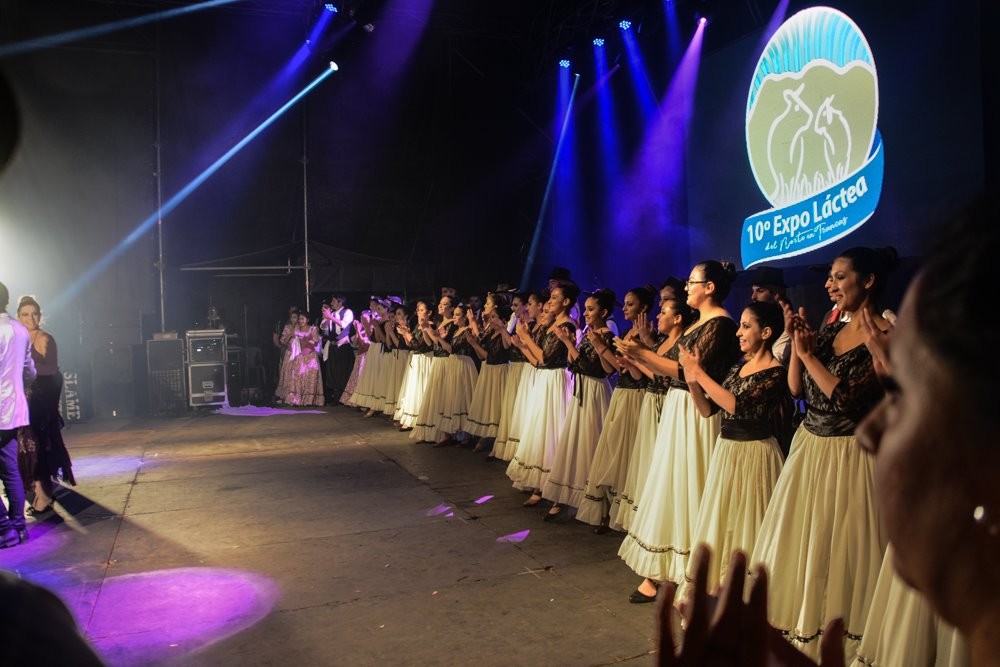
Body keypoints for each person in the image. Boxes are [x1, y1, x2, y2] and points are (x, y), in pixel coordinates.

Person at [749, 246, 899, 660]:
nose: (830, 285)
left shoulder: (886, 335)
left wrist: (809, 355)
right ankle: (809, 634)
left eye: (839, 277)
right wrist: (799, 348)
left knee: (846, 553)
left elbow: (847, 399)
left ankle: (845, 643)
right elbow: (797, 388)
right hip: (811, 448)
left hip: (850, 456)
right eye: (829, 277)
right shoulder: (830, 330)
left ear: (868, 281)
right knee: (811, 546)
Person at [617, 260, 741, 603]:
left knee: (691, 484)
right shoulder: (698, 323)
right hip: (677, 408)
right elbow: (670, 369)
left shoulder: (721, 325)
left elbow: (690, 372)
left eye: (692, 282)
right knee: (671, 484)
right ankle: (662, 571)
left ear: (710, 288)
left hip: (696, 413)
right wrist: (639, 355)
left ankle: (694, 573)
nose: (687, 287)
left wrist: (642, 352)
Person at [675, 300, 789, 608]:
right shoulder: (738, 368)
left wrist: (699, 372)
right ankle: (717, 593)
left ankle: (746, 600)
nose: (738, 332)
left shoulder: (776, 372)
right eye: (740, 325)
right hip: (727, 451)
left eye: (746, 326)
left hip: (755, 454)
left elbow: (737, 405)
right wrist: (692, 380)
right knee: (722, 520)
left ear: (766, 332)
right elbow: (707, 409)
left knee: (749, 523)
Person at [575, 285, 655, 533]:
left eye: (631, 304)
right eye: (626, 303)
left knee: (626, 452)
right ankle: (613, 510)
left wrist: (604, 348)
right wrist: (600, 348)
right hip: (622, 392)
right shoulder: (629, 332)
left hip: (636, 396)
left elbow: (638, 373)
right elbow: (611, 369)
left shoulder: (647, 334)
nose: (626, 308)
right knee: (613, 450)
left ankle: (625, 513)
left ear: (643, 308)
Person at [540, 288, 617, 521]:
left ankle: (596, 501)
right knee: (575, 442)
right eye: (585, 309)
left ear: (604, 312)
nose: (585, 313)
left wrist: (575, 343)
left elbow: (604, 369)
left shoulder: (607, 335)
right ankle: (565, 497)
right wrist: (570, 343)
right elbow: (574, 363)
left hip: (595, 391)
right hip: (580, 391)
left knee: (591, 444)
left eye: (591, 309)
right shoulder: (587, 332)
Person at [507, 281, 579, 505]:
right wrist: (523, 345)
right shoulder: (553, 323)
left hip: (556, 380)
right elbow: (539, 362)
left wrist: (526, 338)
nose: (550, 301)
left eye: (555, 298)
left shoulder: (567, 325)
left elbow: (547, 358)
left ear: (566, 302)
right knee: (540, 429)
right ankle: (540, 484)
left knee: (552, 430)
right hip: (544, 379)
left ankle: (555, 488)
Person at [16, 295, 76, 515]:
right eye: (25, 314)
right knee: (26, 447)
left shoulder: (44, 338)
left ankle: (44, 497)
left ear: (40, 316)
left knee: (36, 447)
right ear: (18, 317)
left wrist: (24, 366)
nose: (30, 318)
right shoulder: (18, 337)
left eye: (34, 314)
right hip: (24, 401)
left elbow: (51, 369)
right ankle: (41, 492)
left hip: (40, 401)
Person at [0, 280, 35, 548]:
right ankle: (19, 526)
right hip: (14, 409)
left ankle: (5, 530)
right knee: (10, 470)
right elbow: (29, 370)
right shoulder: (20, 329)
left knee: (10, 470)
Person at [749, 266, 793, 365]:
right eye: (753, 291)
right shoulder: (762, 318)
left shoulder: (787, 322)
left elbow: (776, 358)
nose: (753, 297)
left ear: (776, 295)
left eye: (760, 291)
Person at [283, 311, 324, 406]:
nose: (300, 321)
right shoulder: (297, 330)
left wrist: (306, 339)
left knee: (310, 379)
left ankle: (309, 400)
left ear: (307, 320)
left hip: (311, 357)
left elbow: (316, 343)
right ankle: (296, 400)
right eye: (299, 319)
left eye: (302, 319)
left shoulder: (313, 329)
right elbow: (290, 343)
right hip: (300, 357)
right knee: (298, 378)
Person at [320, 295, 354, 404]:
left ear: (340, 302)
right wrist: (327, 317)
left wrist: (331, 317)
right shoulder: (332, 314)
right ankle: (336, 397)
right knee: (333, 372)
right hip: (333, 346)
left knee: (343, 372)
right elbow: (323, 327)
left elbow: (343, 324)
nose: (331, 303)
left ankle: (345, 398)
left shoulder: (347, 312)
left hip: (343, 346)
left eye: (334, 301)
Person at [272, 305, 299, 403]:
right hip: (289, 352)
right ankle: (286, 395)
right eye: (292, 317)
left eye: (295, 317)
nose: (293, 319)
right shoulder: (287, 326)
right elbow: (282, 340)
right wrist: (290, 335)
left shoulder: (300, 326)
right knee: (287, 373)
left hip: (299, 353)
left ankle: (297, 395)